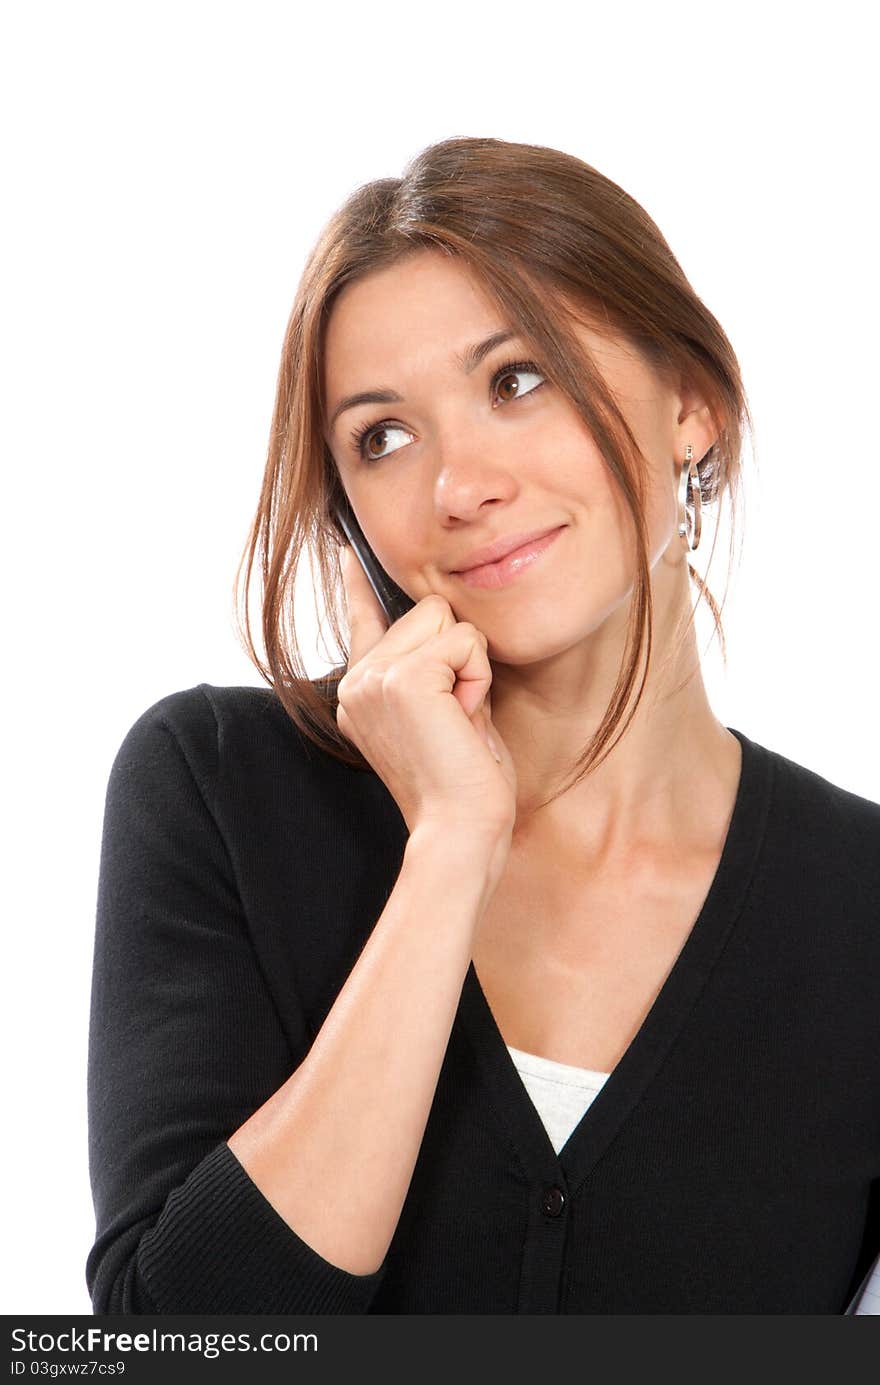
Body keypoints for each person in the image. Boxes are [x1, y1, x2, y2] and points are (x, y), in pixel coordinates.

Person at [86, 136, 880, 1315]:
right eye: (383, 437)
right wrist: (450, 842)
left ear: (692, 409)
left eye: (516, 380)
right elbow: (180, 1339)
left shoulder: (857, 901)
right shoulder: (220, 786)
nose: (457, 485)